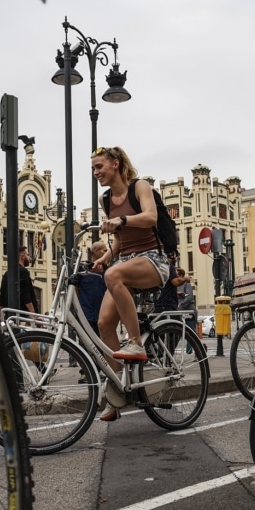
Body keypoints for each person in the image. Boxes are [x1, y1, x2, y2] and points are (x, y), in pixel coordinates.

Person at [91, 145, 170, 421]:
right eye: (93, 169)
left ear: (115, 163)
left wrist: (122, 219)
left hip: (153, 260)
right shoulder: (106, 199)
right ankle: (117, 389)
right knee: (103, 323)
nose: (96, 172)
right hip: (126, 261)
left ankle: (135, 342)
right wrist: (107, 256)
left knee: (114, 275)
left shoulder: (140, 187)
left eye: (99, 166)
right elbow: (120, 241)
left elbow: (150, 217)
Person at [0, 245, 38, 315]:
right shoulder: (23, 272)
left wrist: (0, 315)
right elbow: (25, 293)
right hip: (22, 315)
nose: (29, 258)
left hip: (8, 315)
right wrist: (33, 313)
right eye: (28, 255)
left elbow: (2, 296)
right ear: (22, 256)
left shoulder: (6, 274)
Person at [78, 241, 108, 335]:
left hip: (102, 315)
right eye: (105, 251)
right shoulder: (83, 269)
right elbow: (75, 289)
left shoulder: (107, 270)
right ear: (95, 251)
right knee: (85, 344)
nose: (107, 253)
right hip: (86, 315)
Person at [177, 268, 200, 353]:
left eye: (177, 275)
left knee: (191, 332)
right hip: (179, 311)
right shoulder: (174, 285)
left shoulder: (186, 284)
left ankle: (195, 351)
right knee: (177, 331)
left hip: (188, 311)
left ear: (181, 276)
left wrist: (181, 305)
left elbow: (189, 297)